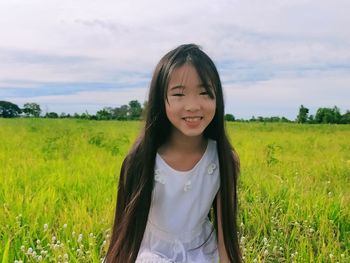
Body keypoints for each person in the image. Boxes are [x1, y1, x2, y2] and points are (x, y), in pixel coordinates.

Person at [105, 44, 241, 263]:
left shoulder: (223, 159)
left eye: (205, 92)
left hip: (201, 252)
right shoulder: (141, 161)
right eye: (178, 94)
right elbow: (126, 232)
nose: (192, 106)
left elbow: (226, 238)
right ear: (161, 100)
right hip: (150, 252)